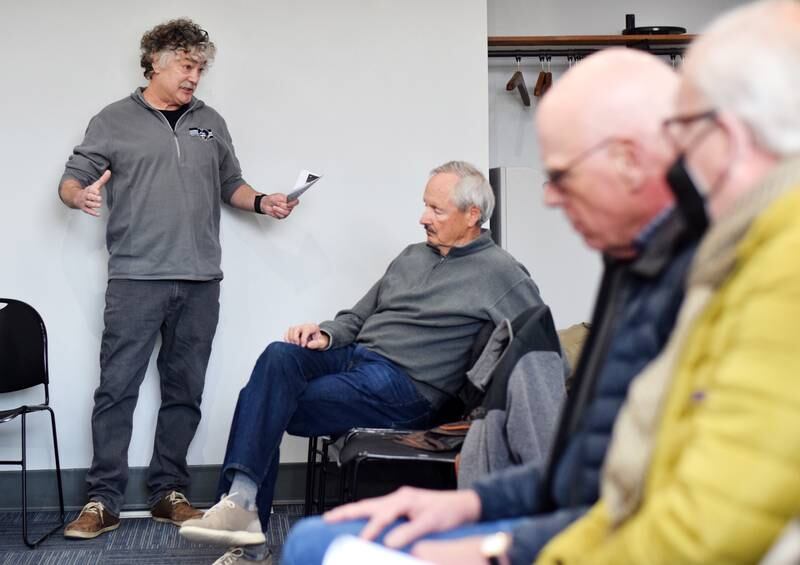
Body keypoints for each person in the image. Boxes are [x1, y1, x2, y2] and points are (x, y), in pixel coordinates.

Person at [280, 48, 701, 565]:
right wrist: (472, 504)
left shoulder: (705, 286)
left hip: (596, 543)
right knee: (309, 541)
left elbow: (688, 513)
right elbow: (586, 471)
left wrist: (498, 547)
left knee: (316, 547)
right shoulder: (636, 273)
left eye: (567, 171)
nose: (549, 196)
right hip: (559, 516)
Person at [535, 1, 800, 563]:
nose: (673, 157)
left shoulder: (783, 262)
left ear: (725, 135)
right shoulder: (745, 251)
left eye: (682, 130)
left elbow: (707, 531)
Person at [178, 160, 545, 564]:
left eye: (436, 210)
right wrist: (325, 334)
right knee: (279, 357)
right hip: (356, 359)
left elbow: (538, 334)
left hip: (407, 389)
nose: (423, 218)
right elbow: (356, 316)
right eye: (425, 205)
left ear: (473, 215)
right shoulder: (412, 256)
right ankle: (243, 505)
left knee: (260, 400)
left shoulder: (500, 272)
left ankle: (247, 529)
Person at [58, 19, 297, 539]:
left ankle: (170, 492)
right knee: (116, 390)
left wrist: (261, 201)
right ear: (156, 64)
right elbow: (72, 179)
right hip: (135, 279)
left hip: (199, 280)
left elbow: (229, 182)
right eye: (187, 67)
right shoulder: (113, 120)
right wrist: (80, 196)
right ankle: (103, 501)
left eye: (201, 68)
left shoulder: (211, 121)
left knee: (184, 391)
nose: (195, 77)